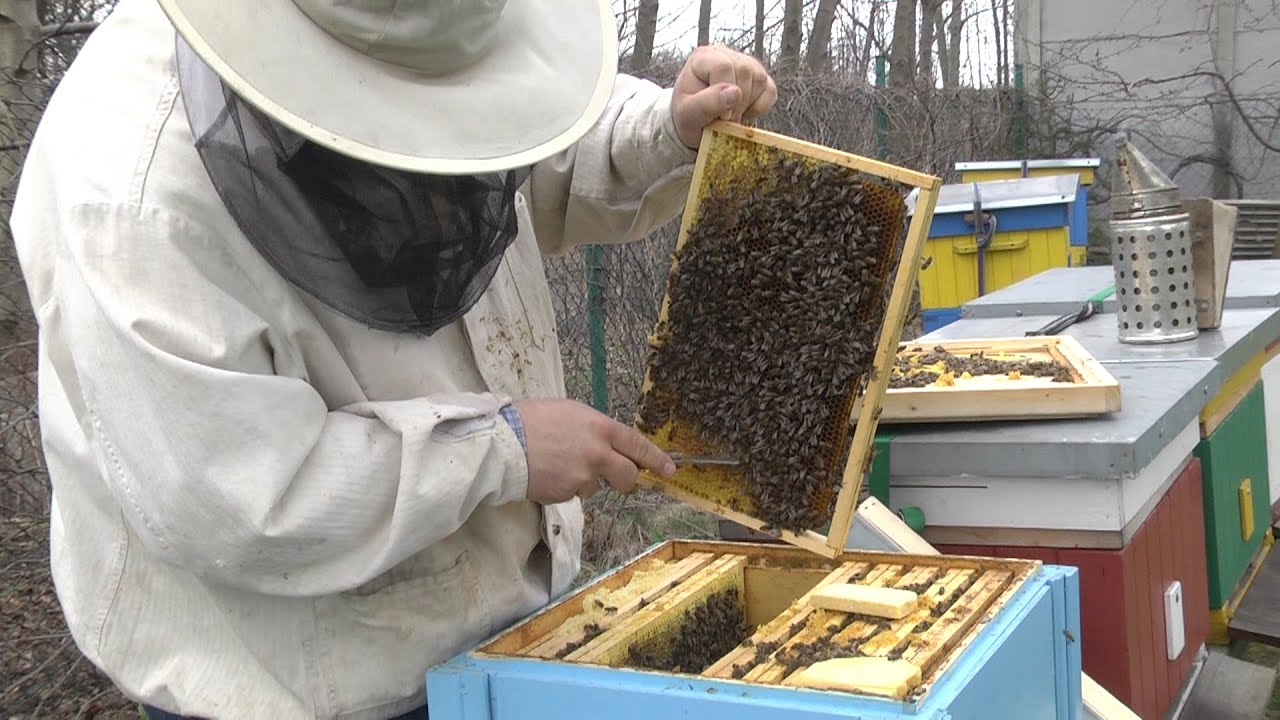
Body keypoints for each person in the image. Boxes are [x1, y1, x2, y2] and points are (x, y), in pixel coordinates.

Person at [10, 0, 777, 717]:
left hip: (514, 617)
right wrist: (501, 451)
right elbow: (234, 496)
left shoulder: (432, 31)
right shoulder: (133, 191)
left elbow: (519, 130)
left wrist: (662, 129)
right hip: (306, 683)